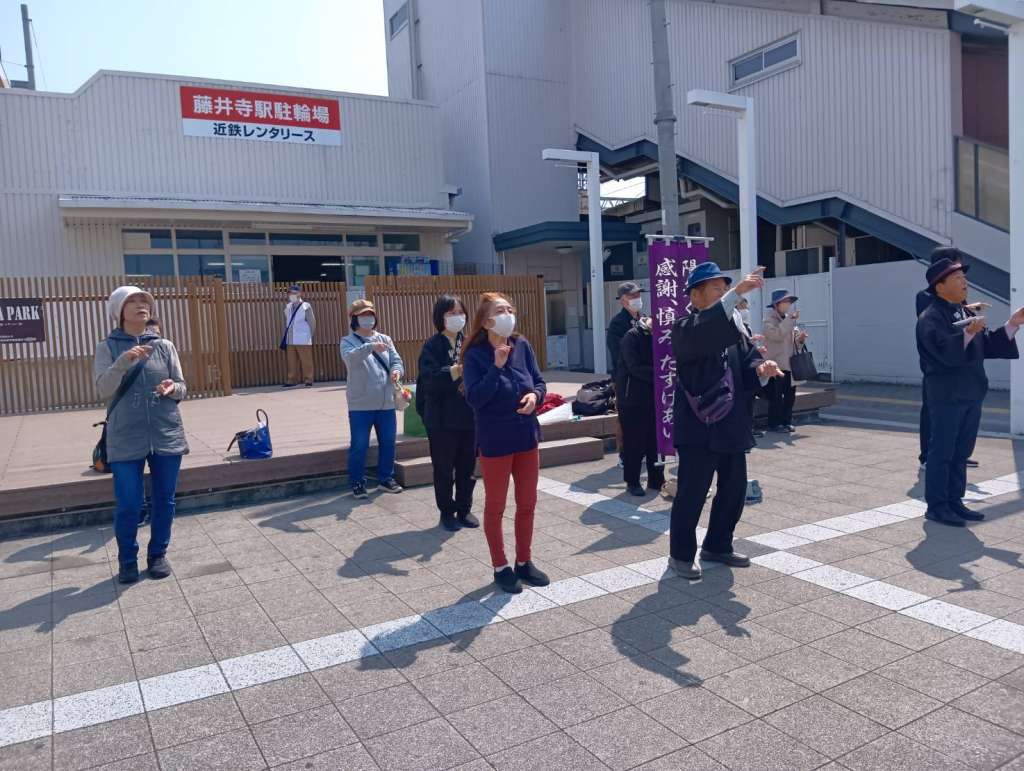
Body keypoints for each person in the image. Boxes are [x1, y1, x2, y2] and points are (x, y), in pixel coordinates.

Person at [668, 263, 783, 579]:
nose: (724, 295)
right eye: (716, 289)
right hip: (698, 427)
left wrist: (762, 370)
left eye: (725, 289)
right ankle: (680, 555)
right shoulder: (685, 328)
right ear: (695, 295)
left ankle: (718, 545)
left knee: (733, 491)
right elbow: (707, 328)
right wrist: (737, 293)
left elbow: (748, 365)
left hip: (731, 424)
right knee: (692, 492)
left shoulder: (734, 331)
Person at [93, 286, 188, 584]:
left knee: (165, 500)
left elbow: (183, 387)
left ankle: (158, 554)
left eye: (144, 300)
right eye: (132, 301)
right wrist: (122, 363)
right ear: (118, 311)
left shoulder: (165, 346)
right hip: (125, 435)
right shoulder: (106, 347)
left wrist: (172, 388)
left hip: (165, 432)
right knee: (129, 503)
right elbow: (103, 390)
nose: (140, 305)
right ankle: (127, 561)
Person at [915, 257, 1021, 526]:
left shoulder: (963, 311)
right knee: (942, 452)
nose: (965, 283)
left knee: (961, 451)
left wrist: (1012, 324)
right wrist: (967, 335)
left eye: (964, 278)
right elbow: (940, 353)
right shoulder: (930, 317)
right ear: (940, 286)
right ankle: (937, 506)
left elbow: (988, 345)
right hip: (947, 395)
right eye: (958, 278)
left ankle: (954, 501)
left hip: (971, 392)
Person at [462, 292, 549, 594]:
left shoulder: (522, 345)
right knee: (496, 506)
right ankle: (500, 566)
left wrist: (535, 396)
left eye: (509, 309)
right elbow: (475, 398)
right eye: (500, 311)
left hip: (526, 435)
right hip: (495, 438)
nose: (508, 315)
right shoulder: (475, 354)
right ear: (486, 321)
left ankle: (524, 561)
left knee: (527, 503)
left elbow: (539, 381)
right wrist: (496, 366)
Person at [916, 247, 984, 469]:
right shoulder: (925, 296)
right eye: (956, 267)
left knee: (959, 415)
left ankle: (959, 453)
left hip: (960, 362)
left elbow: (956, 317)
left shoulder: (957, 296)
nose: (961, 276)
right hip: (937, 364)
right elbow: (935, 325)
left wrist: (970, 310)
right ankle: (927, 455)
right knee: (932, 411)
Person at [417, 295, 479, 531]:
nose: (457, 317)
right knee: (443, 469)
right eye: (451, 313)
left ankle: (464, 508)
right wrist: (455, 371)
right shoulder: (432, 346)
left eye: (460, 312)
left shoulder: (470, 343)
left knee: (467, 467)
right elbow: (429, 380)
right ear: (440, 317)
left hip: (468, 417)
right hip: (441, 419)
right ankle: (446, 511)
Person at [340, 299, 404, 499]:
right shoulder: (347, 341)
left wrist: (396, 371)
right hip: (360, 404)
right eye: (363, 315)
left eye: (370, 314)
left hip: (386, 402)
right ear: (354, 318)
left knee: (388, 442)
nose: (368, 319)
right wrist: (370, 347)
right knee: (359, 444)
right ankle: (357, 481)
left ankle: (386, 478)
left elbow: (396, 361)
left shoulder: (385, 338)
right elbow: (351, 359)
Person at [618, 316, 665, 496]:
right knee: (634, 442)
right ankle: (632, 482)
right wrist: (660, 373)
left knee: (656, 440)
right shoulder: (631, 336)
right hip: (632, 399)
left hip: (655, 397)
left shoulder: (661, 335)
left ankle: (656, 479)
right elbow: (634, 367)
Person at [762, 289, 807, 433]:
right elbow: (777, 335)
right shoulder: (769, 320)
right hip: (775, 365)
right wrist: (790, 320)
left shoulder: (789, 320)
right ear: (776, 304)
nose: (788, 305)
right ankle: (773, 424)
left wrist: (800, 340)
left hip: (790, 365)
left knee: (789, 396)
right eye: (785, 302)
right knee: (776, 396)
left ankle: (786, 421)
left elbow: (795, 344)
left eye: (789, 302)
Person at [608, 281, 644, 466]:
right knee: (627, 419)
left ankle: (642, 452)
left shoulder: (644, 319)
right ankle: (625, 455)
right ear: (623, 300)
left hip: (644, 379)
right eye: (632, 296)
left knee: (643, 418)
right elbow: (618, 355)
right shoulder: (617, 323)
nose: (637, 299)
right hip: (626, 380)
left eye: (638, 295)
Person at [283, 284, 316, 388]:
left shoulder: (306, 306)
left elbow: (312, 322)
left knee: (306, 360)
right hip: (290, 337)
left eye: (294, 293)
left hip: (303, 337)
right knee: (291, 360)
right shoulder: (288, 306)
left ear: (300, 293)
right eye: (290, 293)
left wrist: (308, 335)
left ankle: (308, 379)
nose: (292, 295)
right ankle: (291, 380)